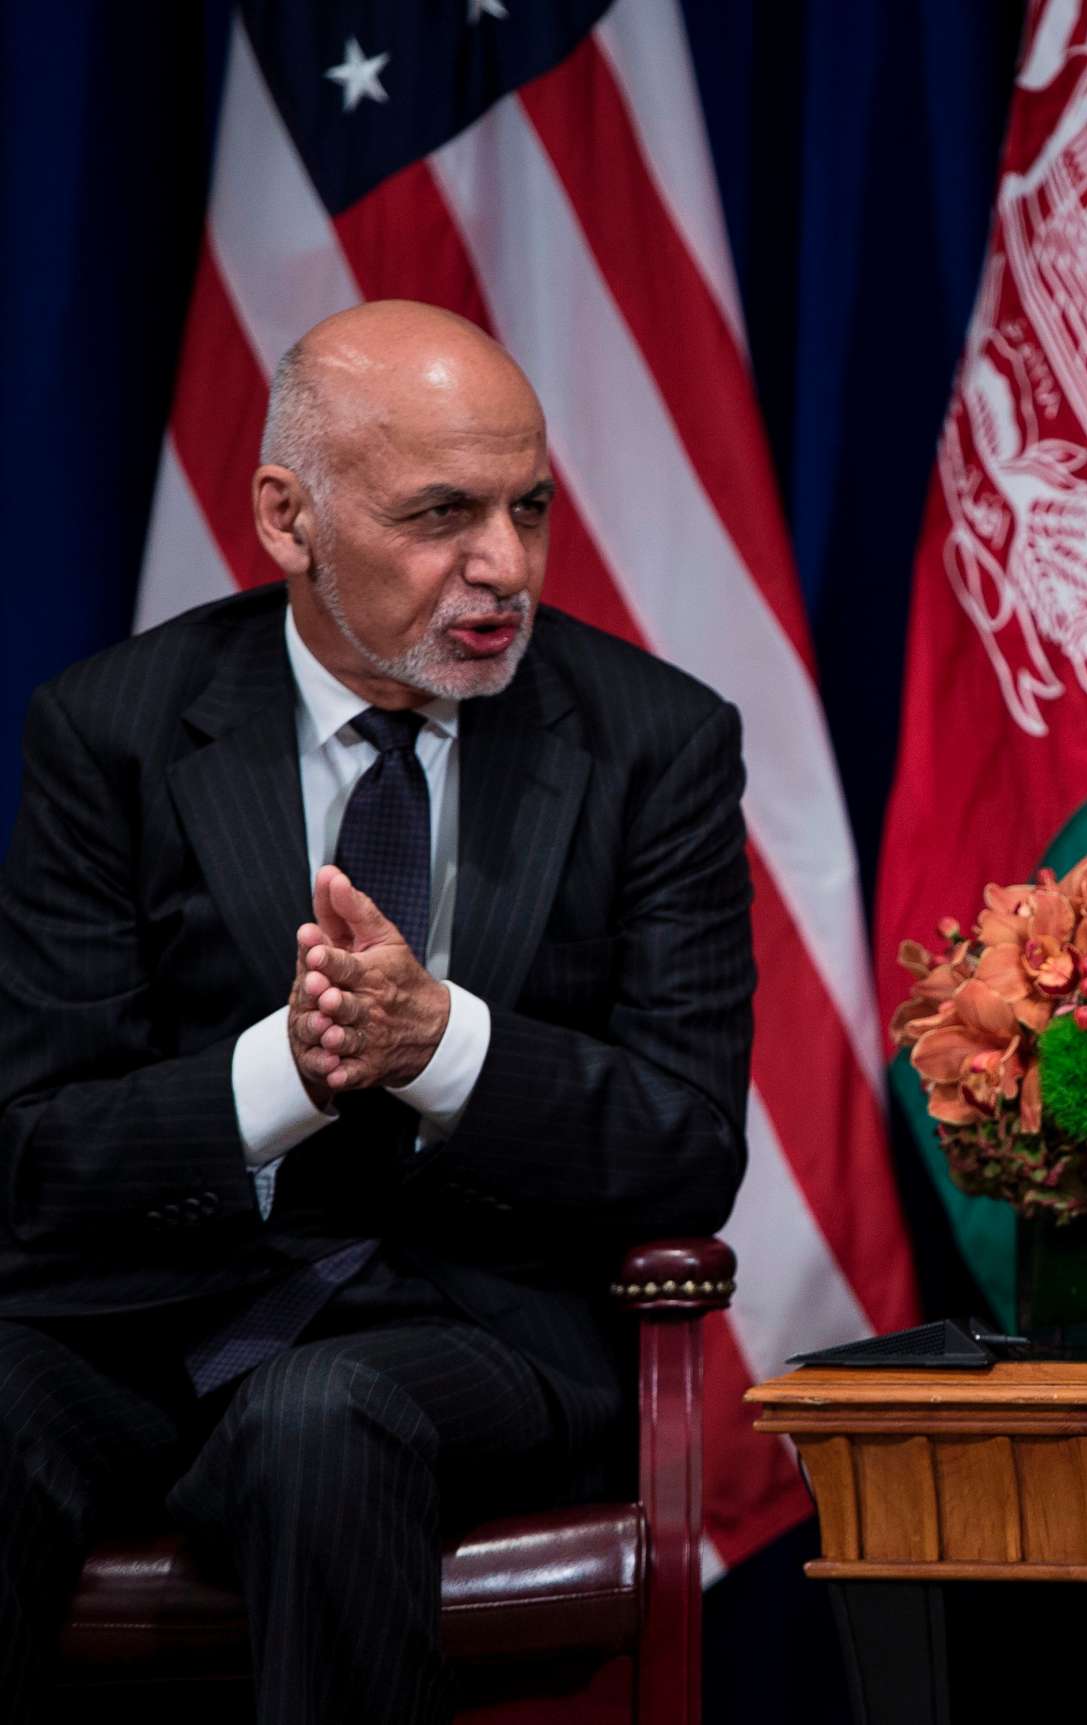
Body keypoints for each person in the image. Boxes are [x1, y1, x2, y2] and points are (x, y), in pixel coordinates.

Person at [0, 300, 753, 1720]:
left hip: (477, 1328)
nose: (506, 568)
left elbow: (686, 1139)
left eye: (528, 507)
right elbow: (35, 1151)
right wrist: (283, 1072)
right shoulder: (114, 730)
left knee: (318, 1422)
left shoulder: (655, 741)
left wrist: (442, 1047)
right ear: (290, 518)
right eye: (443, 515)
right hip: (147, 1318)